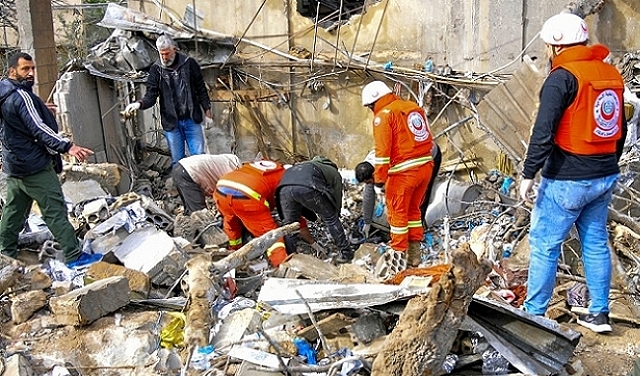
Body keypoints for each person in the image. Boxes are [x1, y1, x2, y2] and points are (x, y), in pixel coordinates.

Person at [519, 13, 626, 333]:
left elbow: (543, 132)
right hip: (604, 174)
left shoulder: (561, 77)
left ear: (555, 45)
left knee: (544, 244)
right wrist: (608, 164)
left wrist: (528, 174)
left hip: (567, 178)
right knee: (594, 243)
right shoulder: (609, 73)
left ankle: (534, 315)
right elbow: (617, 128)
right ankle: (599, 314)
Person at [0, 52, 99, 267]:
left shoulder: (4, 94)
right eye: (25, 69)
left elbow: (13, 125)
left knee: (13, 212)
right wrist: (68, 146)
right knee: (55, 211)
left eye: (32, 68)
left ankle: (5, 254)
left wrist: (40, 109)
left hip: (14, 167)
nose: (30, 73)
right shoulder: (20, 96)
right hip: (34, 167)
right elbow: (39, 128)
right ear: (12, 72)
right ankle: (75, 256)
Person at [361, 80, 435, 266]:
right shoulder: (412, 107)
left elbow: (382, 153)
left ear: (374, 102)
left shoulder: (384, 116)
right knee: (413, 212)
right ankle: (414, 256)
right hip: (425, 167)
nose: (371, 110)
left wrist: (379, 181)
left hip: (403, 173)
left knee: (398, 216)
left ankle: (398, 261)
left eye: (370, 106)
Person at [124, 35, 213, 166]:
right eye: (162, 54)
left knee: (199, 158)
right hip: (172, 123)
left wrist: (207, 111)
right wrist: (139, 104)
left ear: (174, 49)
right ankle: (181, 186)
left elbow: (201, 89)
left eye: (167, 53)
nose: (165, 57)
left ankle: (201, 186)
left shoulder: (189, 64)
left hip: (191, 119)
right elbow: (151, 96)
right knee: (178, 161)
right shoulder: (156, 70)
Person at [215, 160, 321, 267]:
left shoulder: (274, 167)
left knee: (232, 223)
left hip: (222, 189)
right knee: (272, 236)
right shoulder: (289, 184)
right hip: (247, 196)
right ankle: (282, 267)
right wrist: (312, 242)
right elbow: (294, 217)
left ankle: (234, 251)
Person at [355, 142, 442, 266]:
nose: (371, 183)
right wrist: (368, 222)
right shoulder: (369, 166)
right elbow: (369, 194)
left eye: (371, 180)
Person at [275, 156, 353, 263]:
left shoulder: (304, 166)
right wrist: (336, 213)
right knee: (331, 219)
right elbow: (337, 194)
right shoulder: (333, 171)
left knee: (290, 226)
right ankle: (346, 253)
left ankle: (290, 259)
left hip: (284, 188)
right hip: (307, 185)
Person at [172, 154, 241, 215]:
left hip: (181, 167)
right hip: (188, 171)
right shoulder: (235, 172)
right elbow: (229, 198)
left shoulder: (230, 162)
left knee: (190, 209)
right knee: (199, 214)